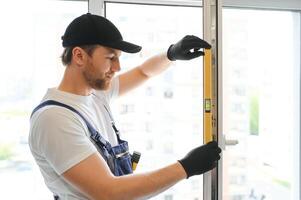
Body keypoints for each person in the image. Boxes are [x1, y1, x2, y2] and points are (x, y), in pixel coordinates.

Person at [29, 13, 221, 200]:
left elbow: (143, 72)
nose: (117, 67)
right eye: (111, 58)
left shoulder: (96, 95)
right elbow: (109, 192)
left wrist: (171, 54)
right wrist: (186, 167)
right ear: (79, 56)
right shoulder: (54, 118)